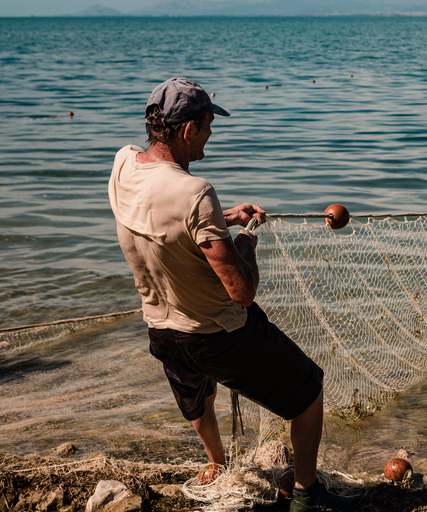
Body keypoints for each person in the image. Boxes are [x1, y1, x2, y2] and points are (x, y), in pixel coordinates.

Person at [108, 78, 358, 512]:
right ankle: (306, 494)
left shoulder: (124, 163)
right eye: (207, 125)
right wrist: (244, 240)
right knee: (310, 392)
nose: (211, 134)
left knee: (198, 396)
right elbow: (242, 292)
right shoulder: (195, 191)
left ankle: (217, 464)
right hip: (217, 334)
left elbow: (167, 222)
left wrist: (223, 218)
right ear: (187, 130)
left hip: (162, 331)